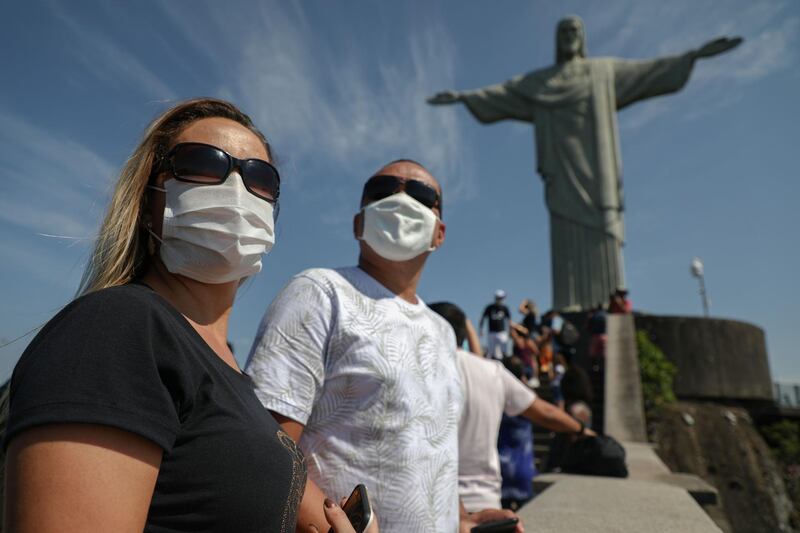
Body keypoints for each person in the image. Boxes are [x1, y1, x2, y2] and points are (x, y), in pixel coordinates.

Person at [3, 98, 357, 532]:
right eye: (202, 164)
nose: (234, 188)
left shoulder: (227, 372)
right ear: (148, 198)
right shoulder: (118, 327)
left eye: (259, 177)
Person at [246, 161, 517, 533]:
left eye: (421, 194)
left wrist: (461, 518)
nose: (400, 197)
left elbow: (433, 449)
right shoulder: (319, 292)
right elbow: (266, 449)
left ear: (439, 233)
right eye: (382, 190)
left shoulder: (442, 331)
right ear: (359, 224)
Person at [428, 16, 742, 311]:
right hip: (562, 168)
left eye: (575, 31)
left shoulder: (603, 71)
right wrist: (464, 96)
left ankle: (612, 300)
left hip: (598, 165)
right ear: (557, 39)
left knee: (603, 222)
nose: (569, 37)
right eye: (563, 32)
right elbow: (504, 92)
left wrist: (693, 56)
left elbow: (649, 70)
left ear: (582, 38)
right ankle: (572, 301)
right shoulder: (541, 82)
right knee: (565, 225)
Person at [428, 301, 594, 514]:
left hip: (432, 503)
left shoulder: (416, 370)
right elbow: (546, 412)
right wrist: (581, 429)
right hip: (484, 502)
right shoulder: (492, 372)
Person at [480, 290, 512, 359]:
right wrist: (481, 329)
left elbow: (509, 320)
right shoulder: (489, 307)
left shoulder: (505, 308)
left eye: (501, 298)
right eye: (499, 298)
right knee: (491, 352)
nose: (500, 299)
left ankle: (506, 365)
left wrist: (510, 331)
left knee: (504, 352)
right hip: (491, 332)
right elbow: (483, 318)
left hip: (502, 332)